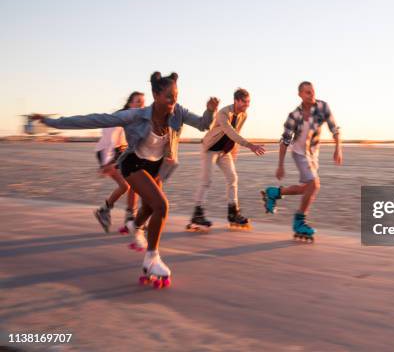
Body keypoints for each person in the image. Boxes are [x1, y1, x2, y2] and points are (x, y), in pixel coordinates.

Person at [31, 72, 218, 287]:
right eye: (168, 97)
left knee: (149, 208)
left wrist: (210, 111)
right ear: (156, 95)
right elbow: (94, 119)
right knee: (161, 206)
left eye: (175, 96)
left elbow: (204, 124)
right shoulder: (135, 116)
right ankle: (152, 258)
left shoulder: (178, 112)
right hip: (134, 164)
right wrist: (49, 122)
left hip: (156, 167)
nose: (173, 101)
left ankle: (134, 226)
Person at [261, 81, 342, 241]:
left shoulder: (322, 107)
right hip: (299, 152)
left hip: (313, 153)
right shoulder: (294, 116)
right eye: (307, 92)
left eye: (312, 91)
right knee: (315, 184)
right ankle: (299, 221)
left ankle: (274, 193)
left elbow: (334, 128)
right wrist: (280, 165)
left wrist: (338, 148)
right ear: (300, 95)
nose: (311, 95)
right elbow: (284, 141)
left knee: (307, 188)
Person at [189, 88, 265, 231]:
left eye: (248, 102)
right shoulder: (223, 113)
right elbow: (230, 132)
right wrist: (250, 145)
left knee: (233, 178)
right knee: (206, 181)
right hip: (210, 149)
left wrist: (233, 152)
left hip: (224, 152)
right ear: (236, 101)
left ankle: (233, 213)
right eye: (244, 102)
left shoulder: (244, 115)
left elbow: (237, 134)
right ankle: (197, 214)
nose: (247, 105)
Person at [93, 91, 145, 233]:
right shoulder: (120, 117)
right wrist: (106, 163)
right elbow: (109, 140)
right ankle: (105, 211)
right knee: (125, 185)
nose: (141, 104)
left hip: (121, 151)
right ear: (130, 103)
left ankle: (129, 216)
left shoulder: (137, 119)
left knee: (134, 182)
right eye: (137, 101)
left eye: (143, 101)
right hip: (106, 151)